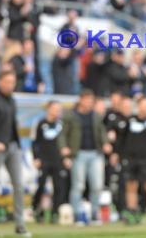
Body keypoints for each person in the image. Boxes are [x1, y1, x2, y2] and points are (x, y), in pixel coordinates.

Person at [0, 70, 31, 237]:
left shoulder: (12, 101)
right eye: (7, 81)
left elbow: (12, 124)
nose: (10, 85)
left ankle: (20, 224)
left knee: (18, 185)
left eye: (12, 82)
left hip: (12, 147)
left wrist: (17, 143)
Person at [57, 89, 112, 225]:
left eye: (91, 100)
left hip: (95, 153)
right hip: (78, 153)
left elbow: (102, 131)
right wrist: (64, 148)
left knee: (97, 185)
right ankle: (77, 215)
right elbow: (62, 133)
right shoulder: (70, 115)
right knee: (78, 186)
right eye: (87, 100)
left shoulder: (96, 116)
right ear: (81, 100)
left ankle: (94, 214)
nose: (89, 103)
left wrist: (105, 143)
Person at [121, 96, 146, 225]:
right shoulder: (129, 121)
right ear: (138, 106)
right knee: (131, 186)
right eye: (143, 105)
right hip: (131, 159)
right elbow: (122, 140)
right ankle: (132, 213)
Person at [30, 100, 69, 223]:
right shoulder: (40, 123)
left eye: (59, 109)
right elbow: (35, 142)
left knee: (59, 187)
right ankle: (37, 210)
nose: (58, 111)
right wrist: (36, 157)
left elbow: (65, 144)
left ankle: (54, 213)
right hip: (44, 160)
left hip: (58, 160)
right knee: (41, 186)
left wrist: (66, 157)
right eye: (55, 108)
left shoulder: (62, 124)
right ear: (49, 109)